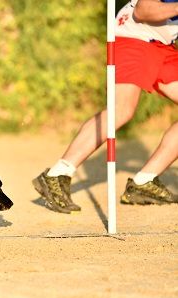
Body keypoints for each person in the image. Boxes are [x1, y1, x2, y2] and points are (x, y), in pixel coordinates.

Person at [33, 0, 178, 213]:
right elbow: (143, 10)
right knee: (121, 110)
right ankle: (56, 174)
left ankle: (144, 182)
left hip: (162, 45)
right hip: (133, 36)